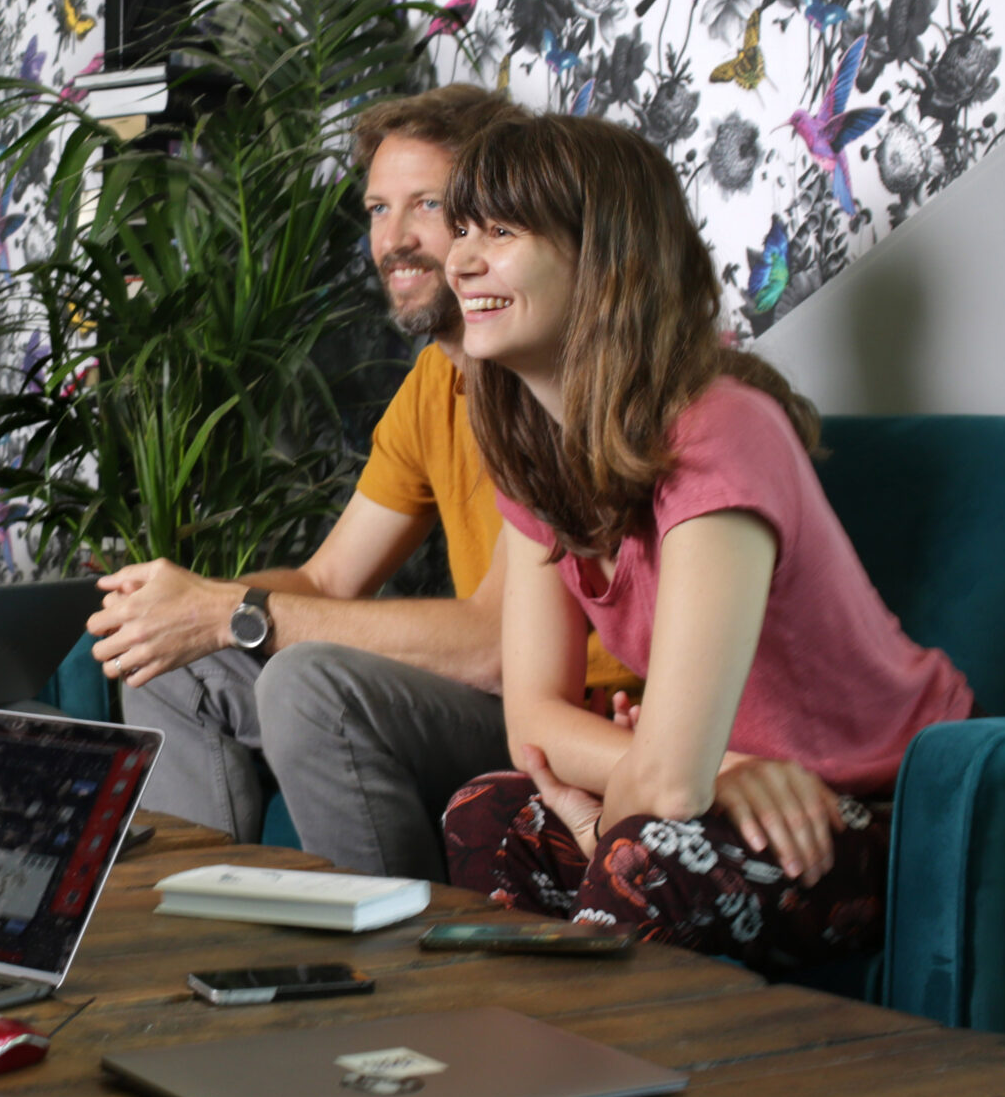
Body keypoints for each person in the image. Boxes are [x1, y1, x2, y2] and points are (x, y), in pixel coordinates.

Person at [436, 108, 973, 973]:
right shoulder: (536, 458)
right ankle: (529, 1054)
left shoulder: (719, 431)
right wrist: (722, 766)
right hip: (737, 789)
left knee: (642, 855)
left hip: (879, 809)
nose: (460, 260)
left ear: (605, 261)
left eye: (500, 231)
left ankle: (557, 1076)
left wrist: (627, 800)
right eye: (462, 231)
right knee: (486, 811)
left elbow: (666, 790)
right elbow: (533, 720)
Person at [98, 85, 640, 879]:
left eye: (426, 204)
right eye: (378, 209)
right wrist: (184, 608)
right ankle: (191, 923)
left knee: (306, 684)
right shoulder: (435, 384)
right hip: (476, 693)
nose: (396, 239)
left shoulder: (559, 382)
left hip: (567, 711)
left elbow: (496, 646)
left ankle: (381, 964)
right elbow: (327, 578)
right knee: (169, 661)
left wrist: (230, 613)